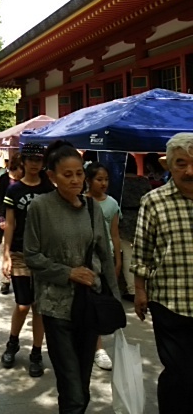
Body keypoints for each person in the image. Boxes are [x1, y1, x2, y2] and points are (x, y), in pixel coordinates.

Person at [24, 140, 119, 414]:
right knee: (72, 386)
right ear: (52, 177)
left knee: (82, 385)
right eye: (68, 175)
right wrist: (68, 273)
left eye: (79, 173)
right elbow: (31, 256)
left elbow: (105, 253)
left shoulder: (93, 209)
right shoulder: (39, 208)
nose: (76, 180)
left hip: (88, 305)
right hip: (55, 307)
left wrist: (113, 298)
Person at [131, 132, 193, 414]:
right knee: (180, 373)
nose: (189, 170)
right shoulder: (153, 201)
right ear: (167, 164)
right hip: (170, 301)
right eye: (181, 163)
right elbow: (142, 251)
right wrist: (140, 290)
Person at [0, 143, 54, 377]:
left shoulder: (49, 189)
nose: (34, 163)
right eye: (30, 159)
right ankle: (12, 343)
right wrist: (6, 254)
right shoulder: (14, 190)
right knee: (23, 304)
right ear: (23, 161)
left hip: (44, 255)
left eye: (38, 159)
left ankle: (36, 352)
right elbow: (10, 224)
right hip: (20, 253)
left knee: (39, 308)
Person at [85, 162, 121, 371]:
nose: (104, 183)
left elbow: (115, 234)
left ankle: (97, 344)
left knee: (101, 300)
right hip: (88, 258)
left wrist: (117, 258)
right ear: (88, 181)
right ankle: (96, 346)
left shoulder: (112, 204)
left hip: (105, 257)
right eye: (99, 179)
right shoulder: (82, 202)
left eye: (106, 179)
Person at [119, 154, 151, 301]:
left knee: (127, 255)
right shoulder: (144, 182)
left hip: (124, 219)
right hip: (142, 217)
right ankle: (146, 286)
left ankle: (132, 289)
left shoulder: (120, 182)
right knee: (144, 255)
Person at [0, 151, 24, 295]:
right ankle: (5, 280)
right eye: (21, 169)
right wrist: (1, 219)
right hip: (4, 221)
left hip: (21, 222)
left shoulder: (24, 181)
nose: (21, 173)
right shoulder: (4, 180)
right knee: (4, 248)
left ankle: (18, 276)